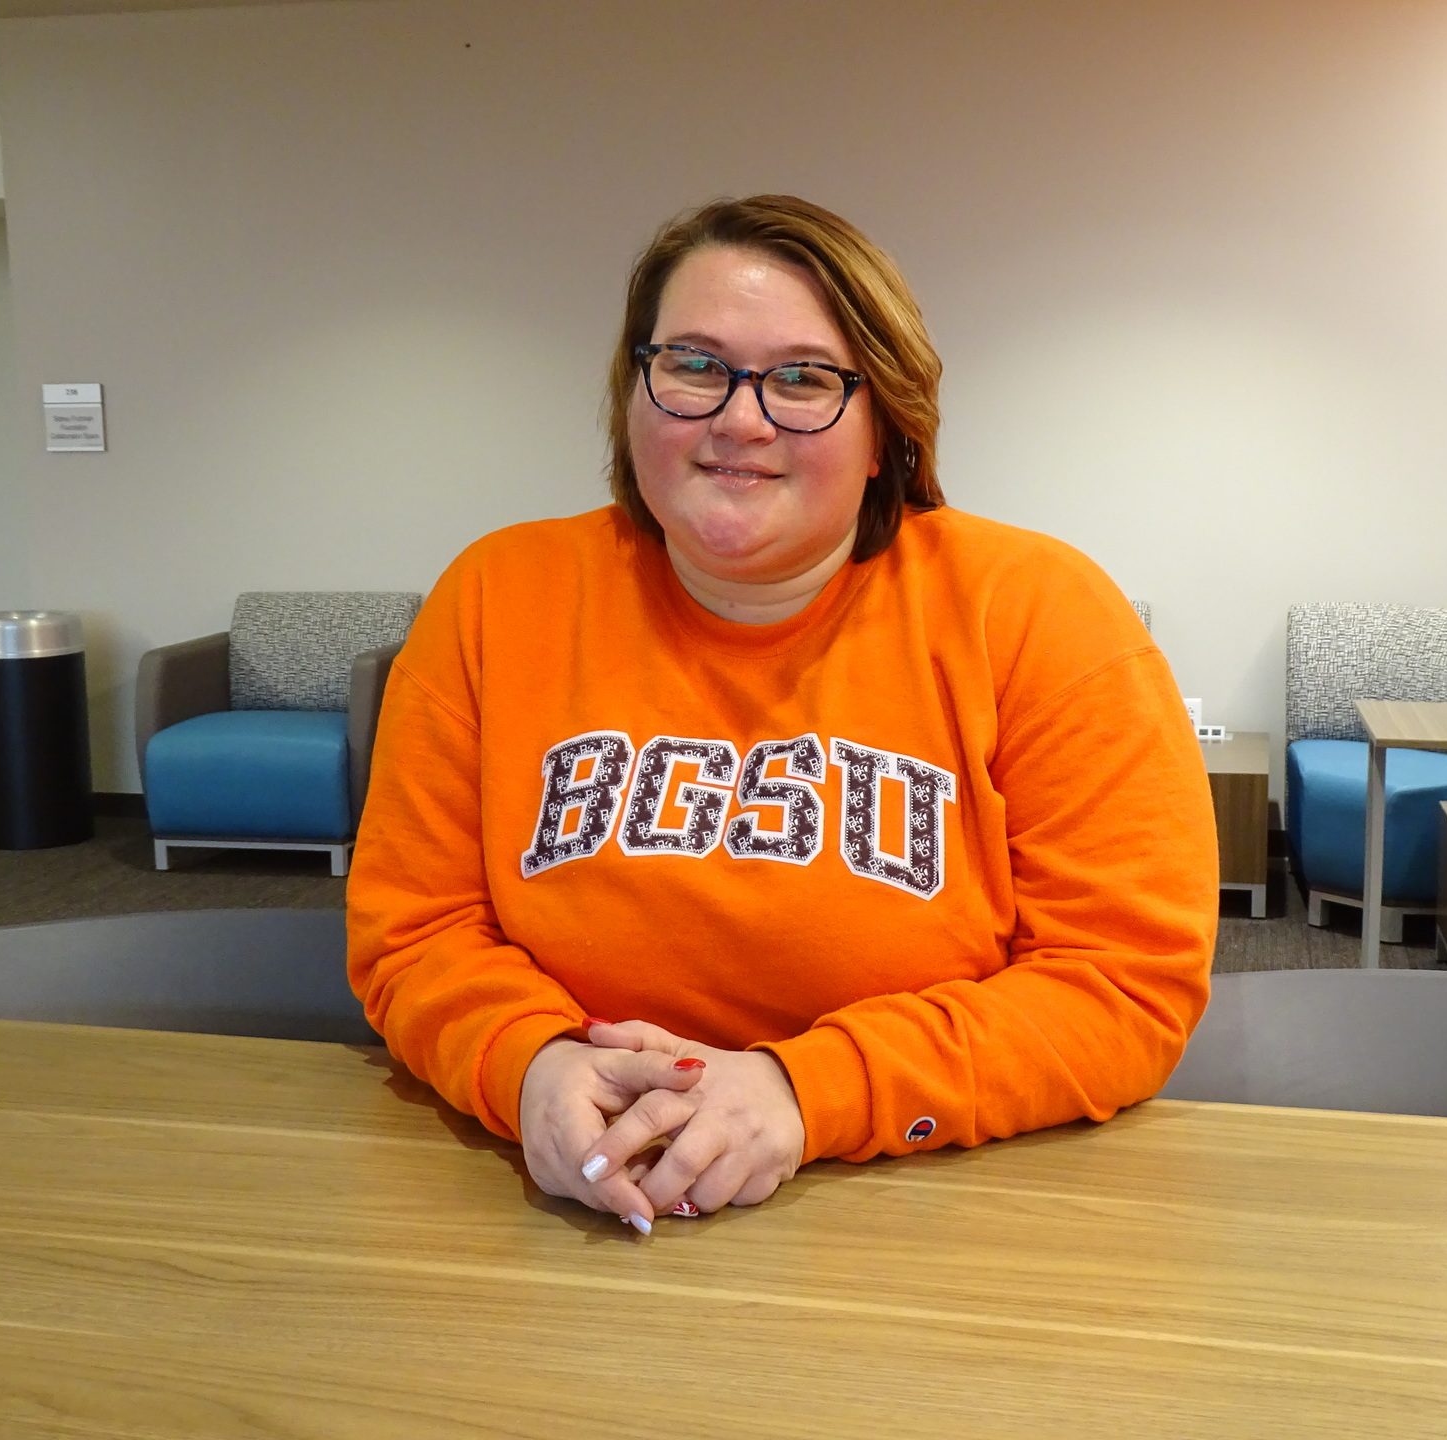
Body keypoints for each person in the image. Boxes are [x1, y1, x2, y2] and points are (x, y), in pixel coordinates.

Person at [346, 194, 1218, 1237]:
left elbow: (1124, 986)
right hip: (566, 1205)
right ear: (634, 391)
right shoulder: (496, 596)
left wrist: (805, 1092)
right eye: (695, 365)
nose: (740, 419)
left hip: (925, 1216)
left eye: (804, 379)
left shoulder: (1040, 613)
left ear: (886, 426)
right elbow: (415, 933)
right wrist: (529, 1065)